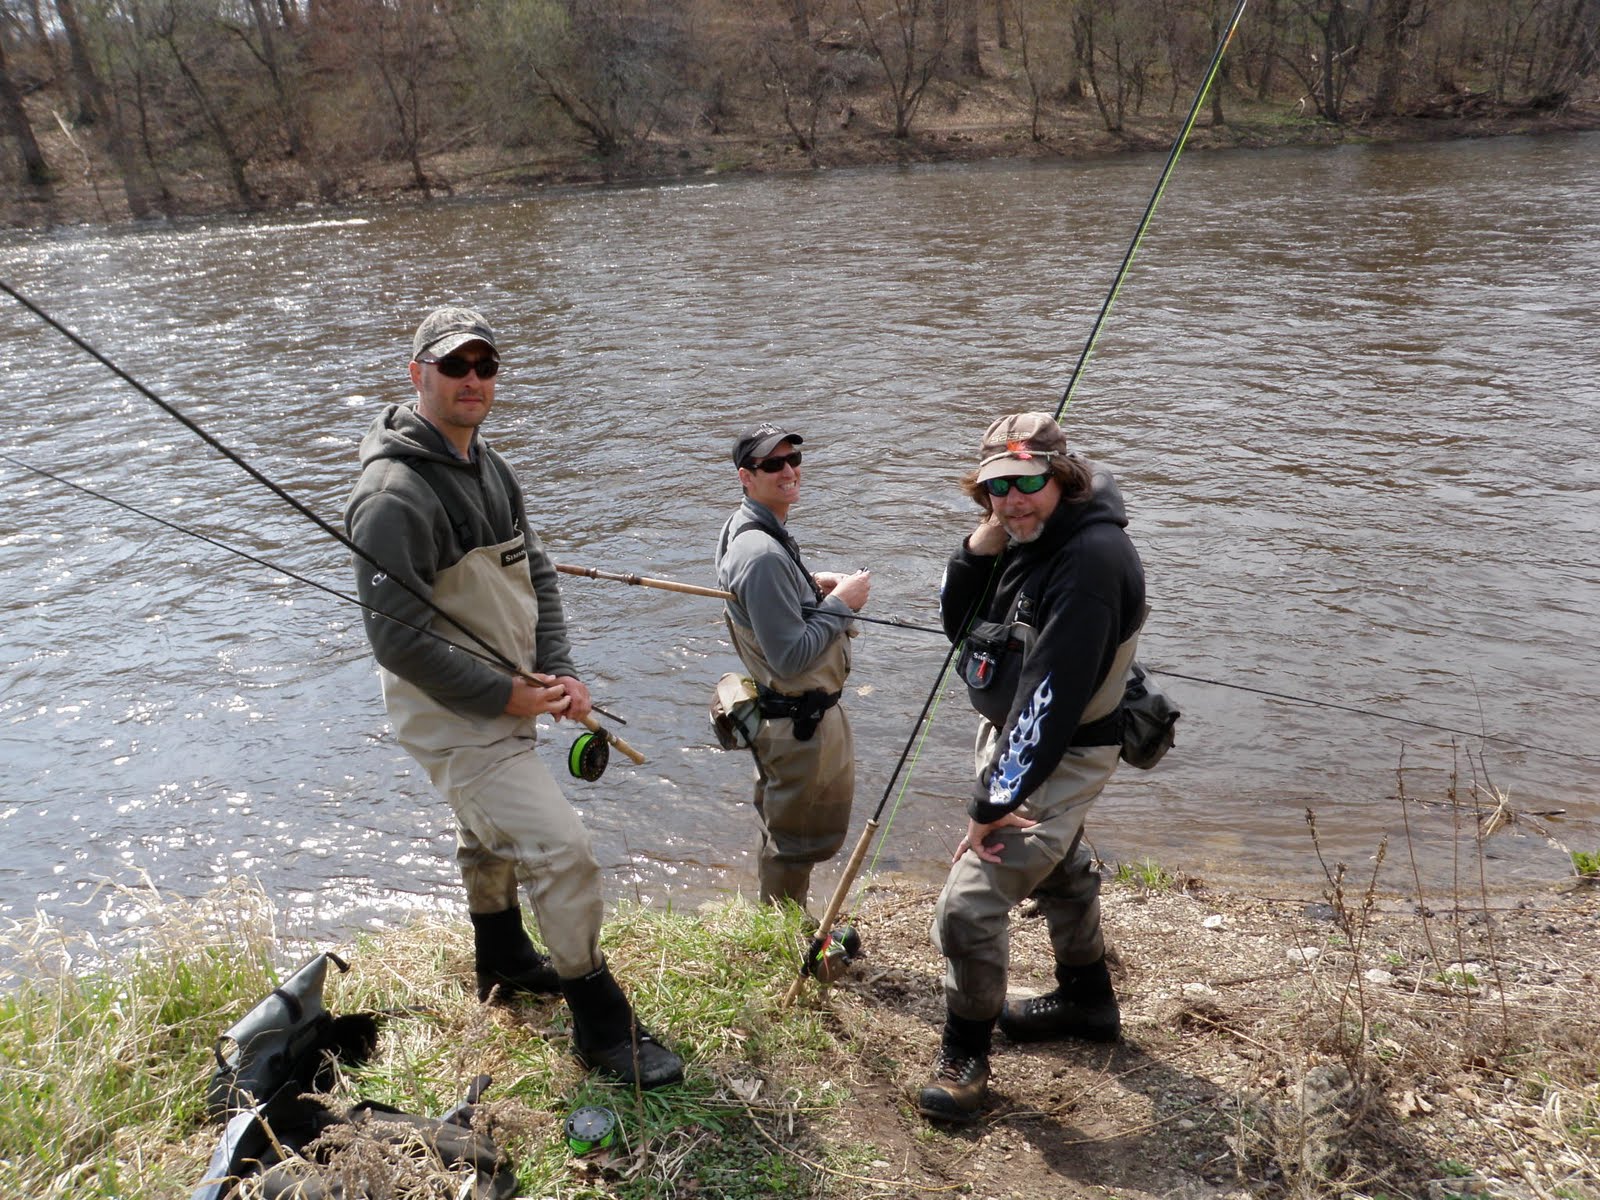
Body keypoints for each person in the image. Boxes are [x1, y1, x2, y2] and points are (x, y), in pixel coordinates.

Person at [344, 305, 682, 1090]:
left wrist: (557, 669)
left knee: (486, 834)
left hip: (510, 698)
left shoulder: (489, 464)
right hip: (451, 717)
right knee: (563, 851)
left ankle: (499, 957)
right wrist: (507, 694)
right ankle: (598, 1018)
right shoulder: (391, 496)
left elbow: (539, 574)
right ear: (417, 373)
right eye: (454, 365)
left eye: (485, 365)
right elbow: (396, 644)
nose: (472, 379)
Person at [917, 412, 1147, 1122]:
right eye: (996, 487)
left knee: (969, 903)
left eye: (1026, 484)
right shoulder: (1025, 533)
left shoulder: (1090, 561)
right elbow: (962, 628)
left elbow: (1050, 696)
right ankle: (1087, 999)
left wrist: (990, 803)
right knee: (1059, 864)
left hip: (1062, 746)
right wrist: (977, 548)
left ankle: (965, 1055)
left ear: (1063, 476)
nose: (1011, 501)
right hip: (1019, 736)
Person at [714, 422, 871, 910]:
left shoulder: (751, 527)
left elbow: (765, 605)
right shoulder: (760, 553)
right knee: (795, 843)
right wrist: (841, 604)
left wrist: (809, 586)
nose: (788, 471)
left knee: (786, 829)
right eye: (772, 465)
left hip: (789, 717)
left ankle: (782, 923)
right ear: (746, 476)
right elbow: (788, 657)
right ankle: (785, 936)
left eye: (793, 460)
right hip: (798, 724)